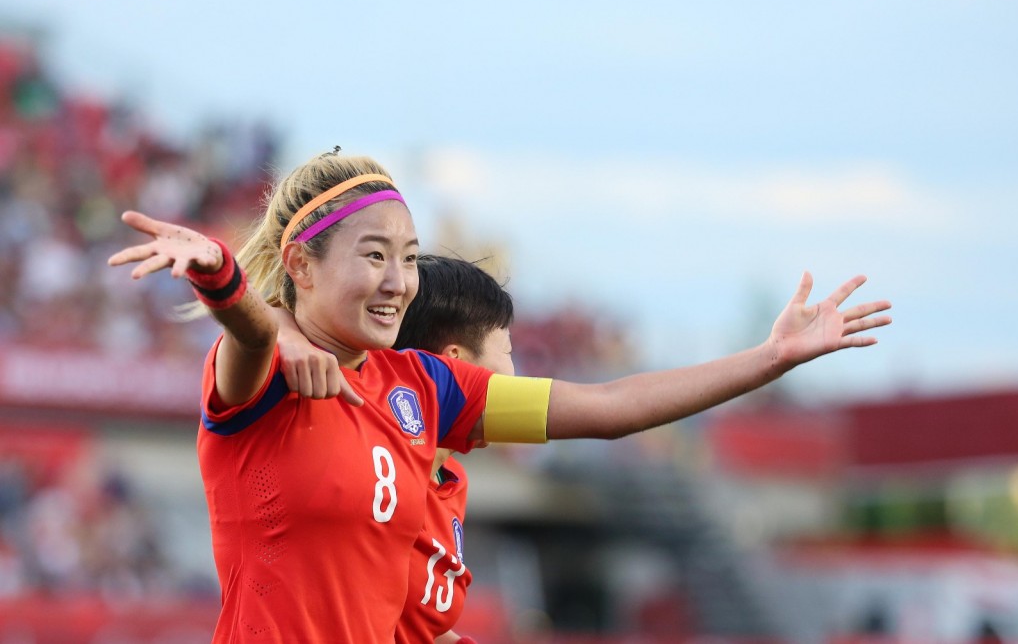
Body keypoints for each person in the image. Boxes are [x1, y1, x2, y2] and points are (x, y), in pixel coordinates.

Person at [107, 150, 891, 643]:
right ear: (300, 266)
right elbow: (247, 331)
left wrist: (767, 358)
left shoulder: (429, 389)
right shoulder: (262, 376)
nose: (395, 281)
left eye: (407, 258)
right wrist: (218, 272)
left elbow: (611, 405)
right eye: (372, 254)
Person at [277, 253, 513, 644]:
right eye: (507, 352)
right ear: (458, 365)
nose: (517, 374)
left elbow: (408, 624)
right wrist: (281, 327)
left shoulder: (451, 477)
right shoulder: (365, 461)